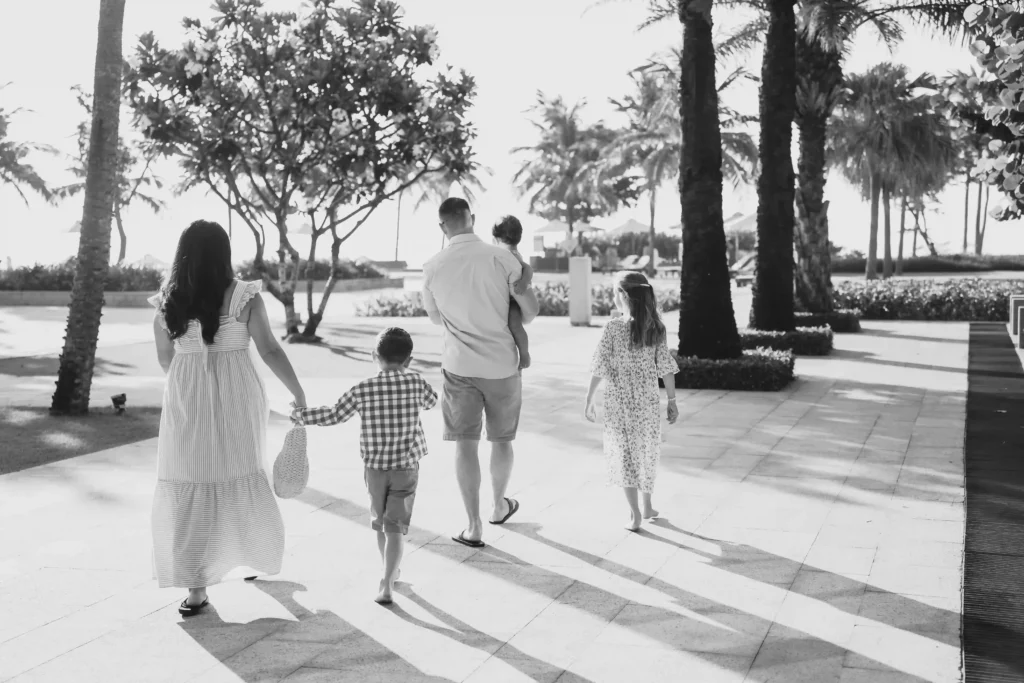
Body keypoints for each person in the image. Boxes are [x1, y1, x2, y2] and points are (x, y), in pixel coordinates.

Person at [149, 220, 306, 617]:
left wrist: (195, 387)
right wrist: (298, 392)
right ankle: (251, 553)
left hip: (186, 403)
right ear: (224, 253)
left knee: (191, 481)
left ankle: (196, 589)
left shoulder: (168, 301)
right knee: (242, 472)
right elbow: (269, 349)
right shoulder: (244, 296)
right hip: (238, 398)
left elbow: (167, 361)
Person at [422, 197, 540, 548]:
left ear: (442, 226)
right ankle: (498, 505)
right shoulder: (503, 258)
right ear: (471, 218)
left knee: (465, 445)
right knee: (501, 440)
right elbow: (530, 311)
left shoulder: (432, 266)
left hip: (459, 367)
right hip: (503, 365)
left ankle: (473, 526)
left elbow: (434, 317)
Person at [291, 328, 437, 605]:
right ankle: (387, 580)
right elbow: (432, 402)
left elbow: (334, 414)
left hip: (374, 468)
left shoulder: (363, 388)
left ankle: (388, 573)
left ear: (374, 356)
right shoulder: (416, 382)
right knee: (395, 526)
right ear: (409, 359)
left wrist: (301, 415)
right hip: (406, 467)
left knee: (382, 524)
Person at [584, 271, 680, 531]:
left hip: (619, 404)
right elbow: (666, 367)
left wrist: (589, 397)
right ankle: (647, 505)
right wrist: (671, 400)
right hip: (647, 403)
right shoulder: (656, 328)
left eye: (615, 292)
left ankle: (636, 513)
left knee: (624, 455)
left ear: (624, 296)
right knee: (646, 451)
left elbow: (600, 365)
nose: (613, 297)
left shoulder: (614, 328)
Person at [491, 215, 533, 370]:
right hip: (504, 298)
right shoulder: (499, 253)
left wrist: (523, 282)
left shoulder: (512, 254)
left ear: (496, 237)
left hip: (514, 301)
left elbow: (528, 269)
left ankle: (524, 353)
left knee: (515, 325)